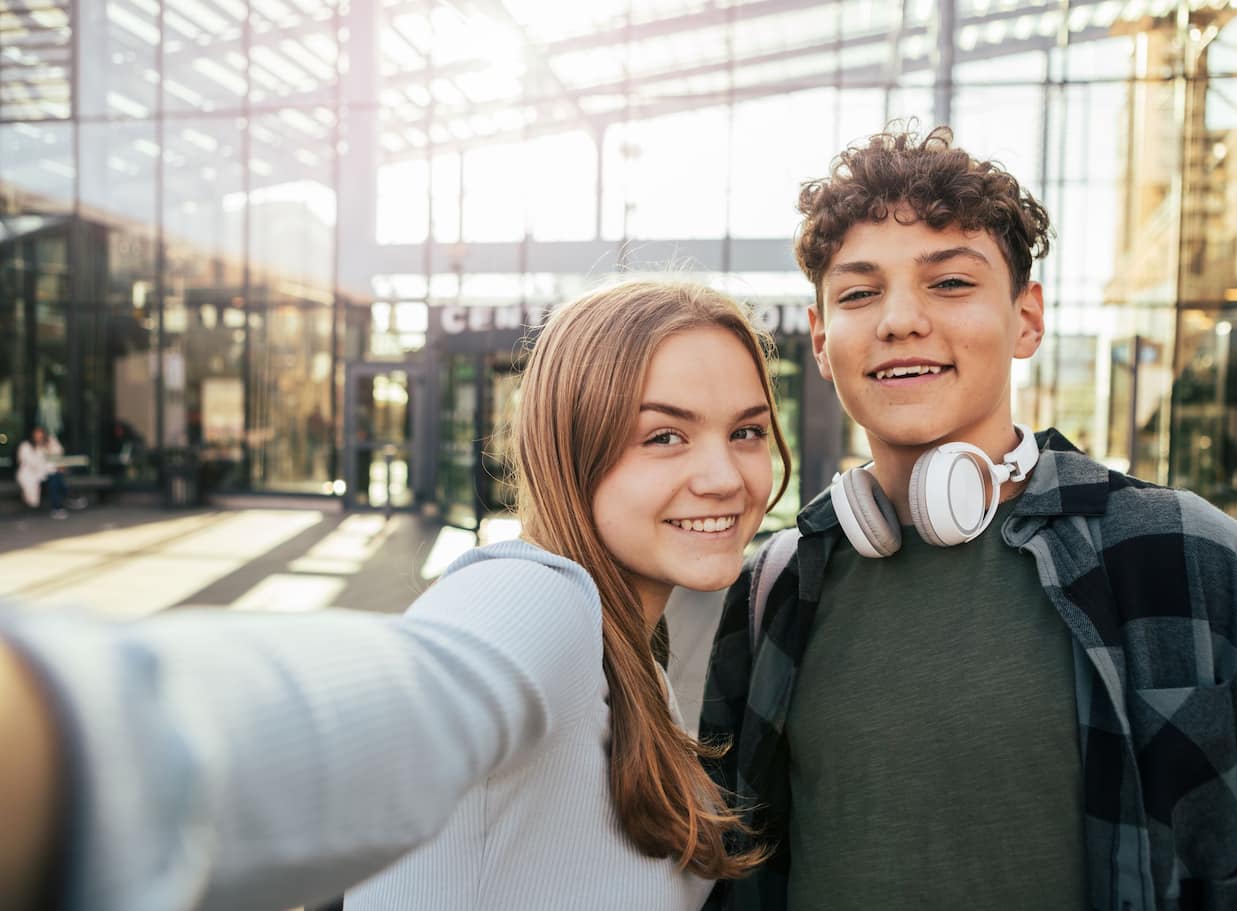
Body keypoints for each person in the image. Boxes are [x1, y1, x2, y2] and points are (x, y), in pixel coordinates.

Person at [700, 125, 1237, 910]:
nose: (900, 319)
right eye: (858, 291)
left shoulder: (1193, 558)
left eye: (950, 283)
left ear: (1027, 319)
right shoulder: (768, 589)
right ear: (820, 337)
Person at [0, 280, 791, 911]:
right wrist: (69, 740)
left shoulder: (635, 659)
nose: (725, 476)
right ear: (571, 446)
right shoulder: (543, 600)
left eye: (748, 431)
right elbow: (404, 690)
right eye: (664, 434)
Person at [16, 426, 71, 518]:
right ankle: (66, 499)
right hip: (32, 473)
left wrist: (49, 446)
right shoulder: (26, 446)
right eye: (37, 435)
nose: (39, 437)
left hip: (46, 472)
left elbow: (58, 454)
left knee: (55, 479)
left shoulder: (48, 444)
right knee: (55, 480)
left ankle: (58, 507)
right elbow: (26, 461)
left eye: (41, 435)